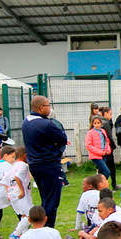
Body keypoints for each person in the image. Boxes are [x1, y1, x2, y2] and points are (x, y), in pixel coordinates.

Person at [22, 96, 68, 228]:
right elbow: (62, 139)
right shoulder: (46, 124)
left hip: (35, 165)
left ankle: (39, 226)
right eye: (48, 105)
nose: (50, 108)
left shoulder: (26, 122)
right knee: (52, 201)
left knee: (45, 198)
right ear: (41, 108)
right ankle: (47, 229)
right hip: (49, 164)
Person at [85, 115, 113, 181]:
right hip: (95, 156)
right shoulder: (90, 133)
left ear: (101, 123)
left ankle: (98, 188)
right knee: (107, 172)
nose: (97, 125)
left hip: (104, 155)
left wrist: (107, 150)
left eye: (98, 123)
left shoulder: (103, 131)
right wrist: (100, 152)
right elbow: (88, 145)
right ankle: (100, 185)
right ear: (92, 124)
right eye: (95, 123)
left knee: (101, 173)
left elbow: (107, 141)